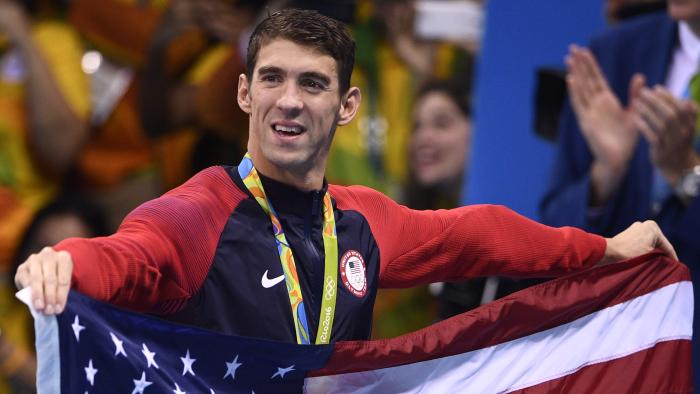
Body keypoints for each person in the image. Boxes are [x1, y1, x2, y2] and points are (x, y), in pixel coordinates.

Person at [15, 9, 676, 346]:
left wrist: (605, 249)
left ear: (347, 105)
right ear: (244, 94)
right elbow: (127, 258)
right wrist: (63, 264)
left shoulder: (362, 220)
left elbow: (477, 235)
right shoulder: (196, 213)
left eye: (312, 83)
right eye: (272, 78)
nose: (290, 100)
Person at [540, 1, 700, 387]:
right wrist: (607, 173)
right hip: (611, 359)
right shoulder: (614, 56)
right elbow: (553, 228)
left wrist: (687, 175)